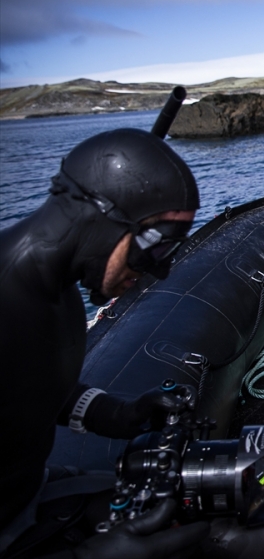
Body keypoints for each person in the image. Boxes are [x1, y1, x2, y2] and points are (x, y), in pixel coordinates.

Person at [0, 128, 207, 558]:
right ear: (98, 217)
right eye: (155, 246)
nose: (159, 270)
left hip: (29, 500)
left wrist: (118, 414)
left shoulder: (52, 292)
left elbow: (25, 390)